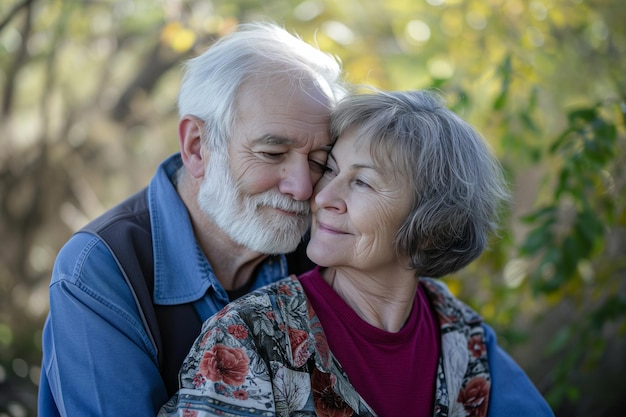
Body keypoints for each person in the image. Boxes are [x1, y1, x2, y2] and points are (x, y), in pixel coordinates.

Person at [158, 89, 555, 417]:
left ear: (434, 225)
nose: (323, 196)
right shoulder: (250, 337)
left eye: (362, 183)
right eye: (329, 169)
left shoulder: (461, 335)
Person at [38, 22, 346, 416]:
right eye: (272, 154)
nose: (303, 188)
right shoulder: (102, 269)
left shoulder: (324, 246)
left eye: (319, 161)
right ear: (197, 147)